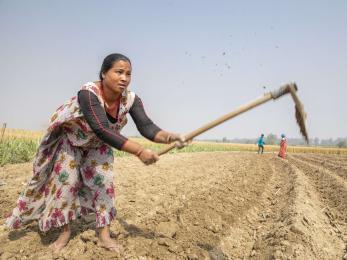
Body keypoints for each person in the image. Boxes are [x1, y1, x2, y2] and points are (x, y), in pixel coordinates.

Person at [6, 53, 187, 253]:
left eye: (128, 74)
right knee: (66, 184)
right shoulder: (89, 94)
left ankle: (103, 236)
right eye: (119, 72)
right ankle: (64, 232)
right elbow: (102, 127)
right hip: (72, 141)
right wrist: (140, 151)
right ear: (104, 73)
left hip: (98, 144)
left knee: (104, 184)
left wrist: (172, 137)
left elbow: (147, 127)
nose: (124, 78)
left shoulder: (131, 100)